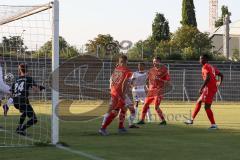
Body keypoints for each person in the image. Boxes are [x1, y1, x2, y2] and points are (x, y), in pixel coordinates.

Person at [185, 54, 223, 129]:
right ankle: (191, 120)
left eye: (201, 59)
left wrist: (201, 88)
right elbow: (221, 75)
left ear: (206, 59)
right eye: (200, 59)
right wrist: (219, 82)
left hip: (209, 88)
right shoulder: (211, 66)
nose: (200, 60)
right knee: (198, 101)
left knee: (207, 107)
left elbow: (208, 78)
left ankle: (214, 125)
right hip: (210, 88)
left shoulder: (205, 66)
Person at [99, 55, 132, 136]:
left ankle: (120, 127)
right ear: (126, 61)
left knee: (124, 107)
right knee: (115, 110)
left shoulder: (116, 69)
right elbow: (124, 83)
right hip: (119, 92)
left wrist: (112, 89)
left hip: (114, 91)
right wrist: (123, 94)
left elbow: (112, 80)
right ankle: (103, 128)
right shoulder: (127, 70)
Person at [12, 63, 45, 136]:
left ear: (19, 70)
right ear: (27, 69)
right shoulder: (29, 78)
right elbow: (35, 90)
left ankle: (19, 127)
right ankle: (21, 130)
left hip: (15, 101)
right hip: (23, 100)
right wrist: (41, 88)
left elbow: (12, 91)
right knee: (34, 119)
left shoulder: (16, 79)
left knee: (24, 112)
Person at [137, 57, 170, 125]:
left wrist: (160, 80)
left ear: (159, 62)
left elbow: (168, 81)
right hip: (151, 91)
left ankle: (163, 120)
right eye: (153, 61)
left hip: (158, 91)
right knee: (145, 105)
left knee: (156, 107)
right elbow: (147, 80)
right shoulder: (151, 70)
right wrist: (147, 87)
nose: (154, 63)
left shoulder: (164, 70)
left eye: (156, 61)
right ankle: (142, 120)